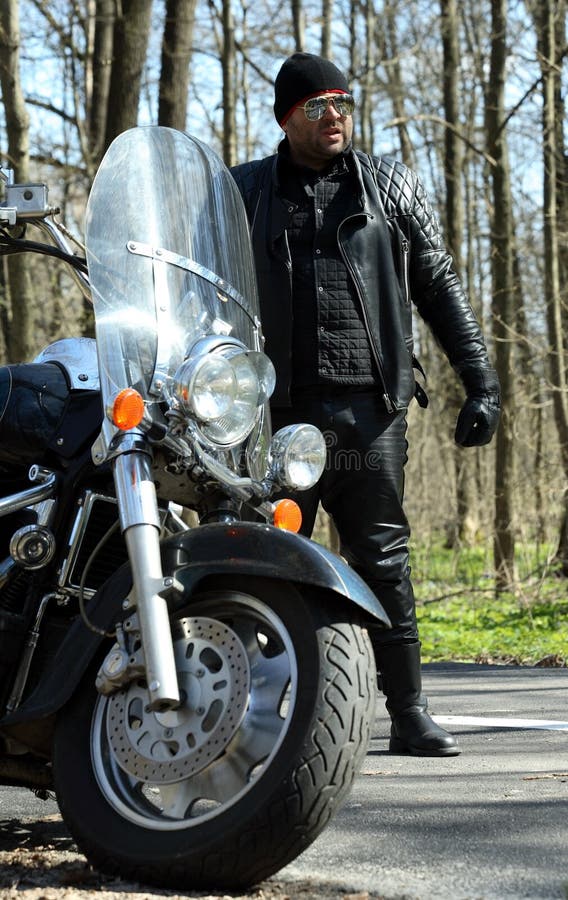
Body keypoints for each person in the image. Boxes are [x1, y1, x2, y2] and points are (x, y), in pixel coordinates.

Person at [231, 52, 500, 757]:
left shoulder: (389, 186)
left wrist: (483, 383)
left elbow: (438, 286)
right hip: (274, 418)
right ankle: (241, 718)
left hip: (368, 414)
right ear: (286, 118)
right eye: (317, 106)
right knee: (260, 560)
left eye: (343, 104)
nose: (334, 117)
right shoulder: (241, 193)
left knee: (383, 559)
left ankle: (409, 712)